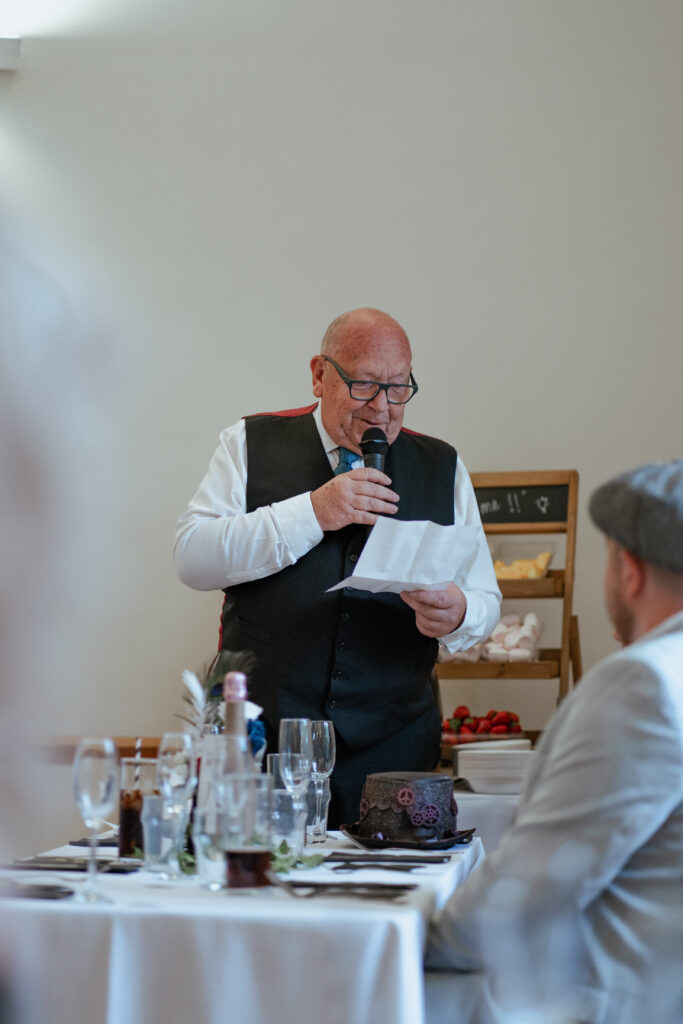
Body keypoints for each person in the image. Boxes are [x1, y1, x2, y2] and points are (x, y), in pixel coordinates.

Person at [174, 307, 501, 825]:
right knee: (260, 895)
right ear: (319, 375)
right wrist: (313, 512)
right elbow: (193, 558)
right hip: (263, 743)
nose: (382, 409)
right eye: (365, 385)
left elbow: (485, 598)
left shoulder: (443, 466)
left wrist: (460, 613)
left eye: (398, 389)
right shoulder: (247, 443)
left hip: (395, 751)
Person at [425, 460, 683, 1024]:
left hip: (597, 995)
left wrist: (408, 938)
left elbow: (519, 902)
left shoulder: (645, 684)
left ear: (630, 571)